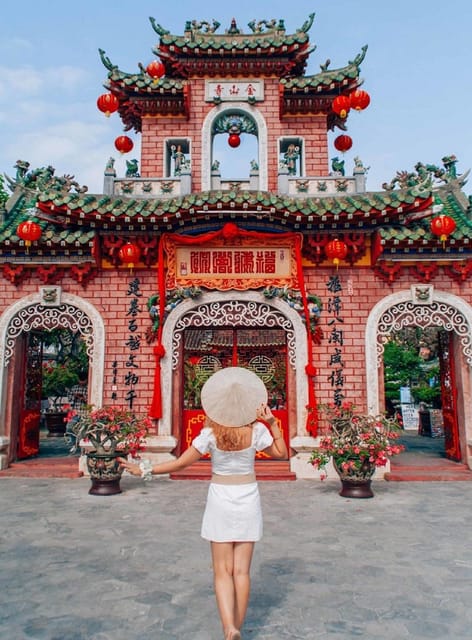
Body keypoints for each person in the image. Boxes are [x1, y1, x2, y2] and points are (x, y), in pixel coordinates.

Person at [119, 366, 288, 640]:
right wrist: (272, 423)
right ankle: (239, 628)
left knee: (222, 571)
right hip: (247, 497)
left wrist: (144, 469)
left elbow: (180, 463)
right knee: (241, 571)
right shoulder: (256, 431)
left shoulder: (210, 434)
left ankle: (228, 628)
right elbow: (281, 454)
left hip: (221, 497)